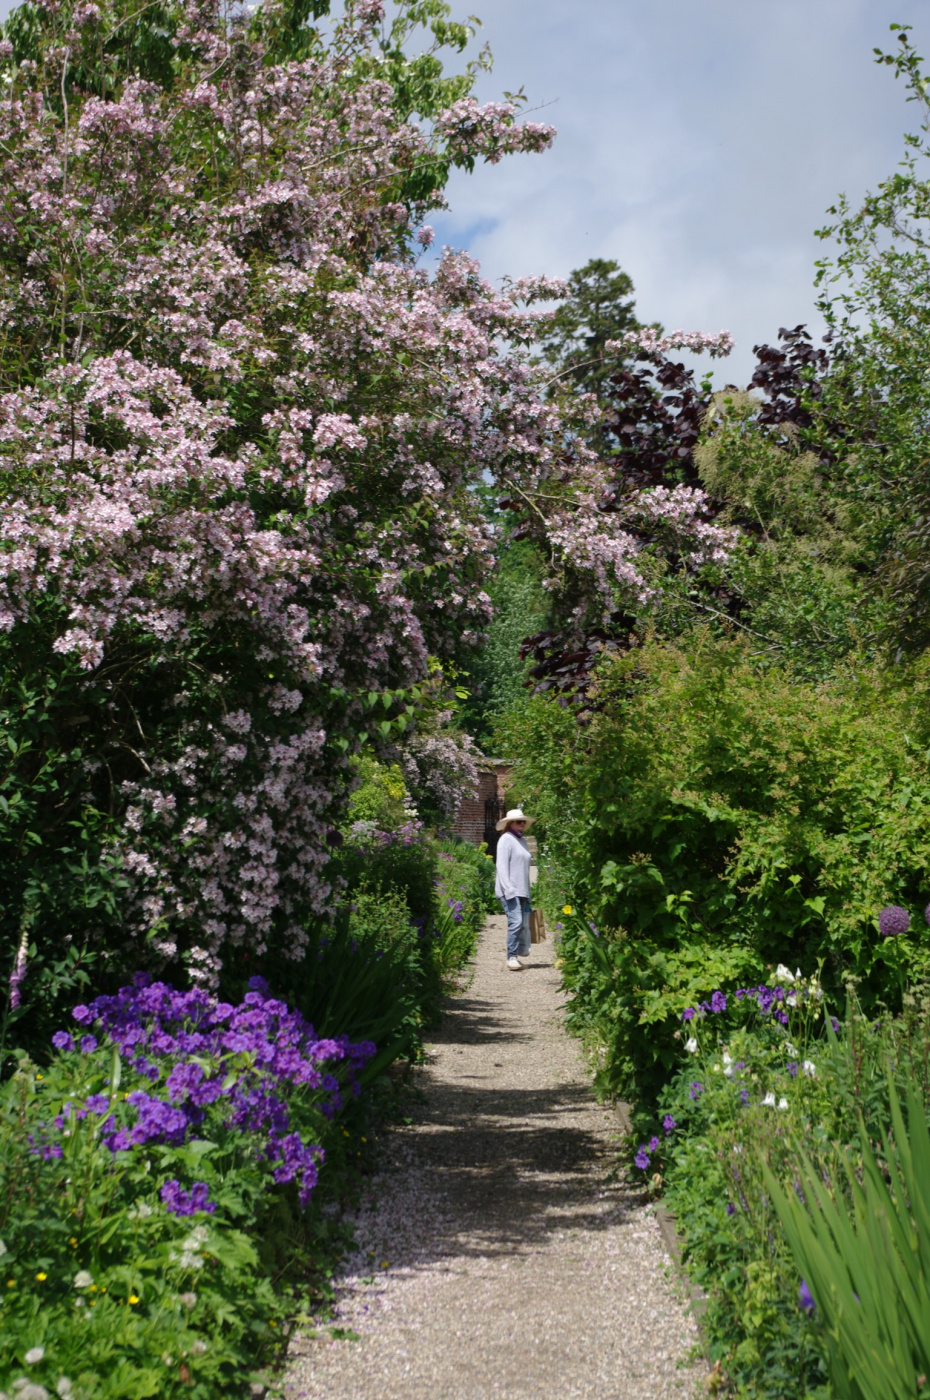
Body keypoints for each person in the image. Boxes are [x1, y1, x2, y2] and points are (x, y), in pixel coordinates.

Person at [494, 808, 534, 971]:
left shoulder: (522, 841)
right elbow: (501, 866)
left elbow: (524, 869)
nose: (522, 824)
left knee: (522, 923)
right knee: (516, 922)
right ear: (510, 823)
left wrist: (528, 892)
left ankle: (517, 954)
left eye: (523, 821)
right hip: (509, 890)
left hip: (522, 889)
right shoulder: (506, 839)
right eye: (518, 821)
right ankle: (511, 957)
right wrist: (508, 889)